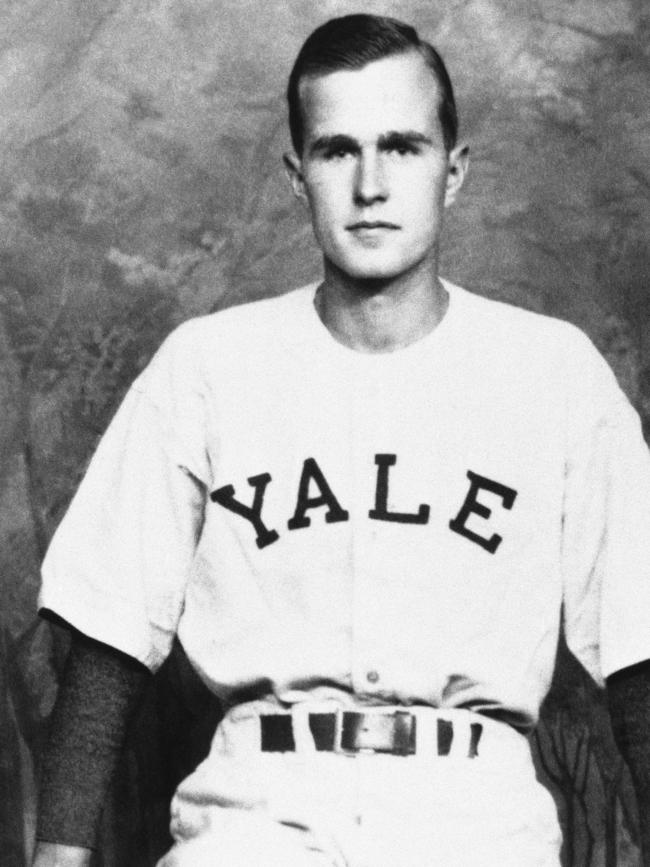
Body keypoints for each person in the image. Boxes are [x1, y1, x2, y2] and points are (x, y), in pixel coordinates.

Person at [32, 13, 650, 867]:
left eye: (402, 146)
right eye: (336, 150)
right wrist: (57, 855)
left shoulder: (553, 372)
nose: (370, 184)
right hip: (256, 817)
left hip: (474, 821)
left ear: (454, 170)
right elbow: (106, 635)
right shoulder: (207, 366)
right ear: (296, 174)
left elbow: (639, 643)